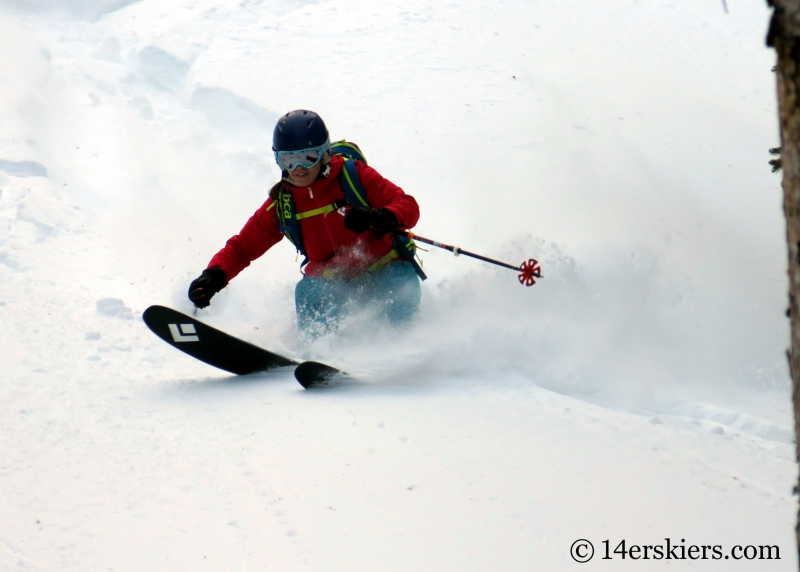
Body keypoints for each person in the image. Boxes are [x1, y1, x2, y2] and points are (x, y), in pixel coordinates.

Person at [188, 109, 422, 336]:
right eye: (288, 159)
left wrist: (383, 216)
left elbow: (407, 205)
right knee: (309, 292)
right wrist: (214, 276)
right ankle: (323, 353)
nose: (298, 168)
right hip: (334, 282)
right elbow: (243, 247)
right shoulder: (282, 204)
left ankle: (399, 347)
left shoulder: (354, 176)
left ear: (324, 154)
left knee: (400, 286)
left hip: (384, 269)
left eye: (307, 157)